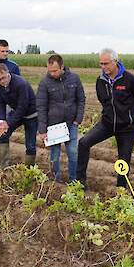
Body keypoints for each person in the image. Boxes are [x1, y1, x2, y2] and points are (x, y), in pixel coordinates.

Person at [77, 48, 134, 189]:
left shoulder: (131, 80)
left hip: (127, 128)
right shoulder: (100, 81)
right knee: (84, 143)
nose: (103, 67)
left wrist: (131, 119)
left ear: (115, 62)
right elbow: (103, 101)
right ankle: (80, 182)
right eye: (101, 64)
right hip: (107, 124)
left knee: (123, 160)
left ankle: (120, 191)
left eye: (106, 63)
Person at [36, 54, 86, 182]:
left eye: (55, 70)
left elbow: (81, 100)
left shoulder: (74, 78)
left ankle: (73, 180)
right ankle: (56, 180)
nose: (52, 73)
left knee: (73, 152)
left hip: (71, 123)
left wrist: (78, 119)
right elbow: (41, 106)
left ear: (62, 67)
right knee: (55, 154)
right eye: (50, 70)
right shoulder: (45, 83)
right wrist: (42, 129)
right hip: (53, 126)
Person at [0, 63, 37, 168]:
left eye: (3, 77)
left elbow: (23, 107)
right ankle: (3, 167)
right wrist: (1, 121)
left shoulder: (20, 84)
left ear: (8, 73)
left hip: (31, 114)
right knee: (3, 135)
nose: (2, 81)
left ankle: (29, 170)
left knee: (30, 145)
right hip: (16, 112)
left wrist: (8, 123)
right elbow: (1, 104)